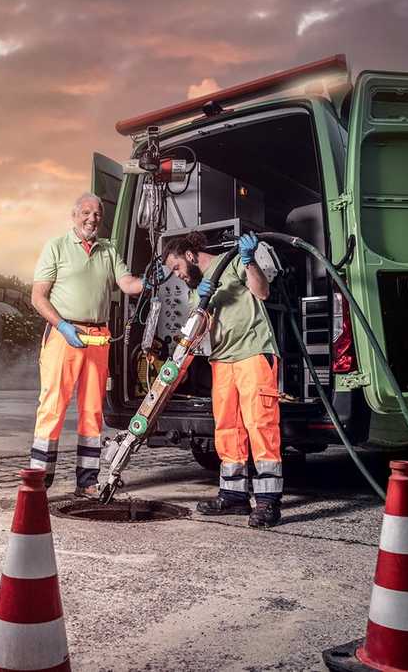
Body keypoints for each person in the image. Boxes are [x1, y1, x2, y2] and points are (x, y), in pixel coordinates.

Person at [30, 193, 148, 497]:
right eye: (86, 213)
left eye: (97, 214)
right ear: (74, 215)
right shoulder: (55, 247)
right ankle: (39, 481)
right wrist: (63, 326)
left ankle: (87, 482)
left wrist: (150, 281)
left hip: (98, 337)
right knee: (52, 406)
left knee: (92, 410)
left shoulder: (109, 250)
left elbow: (127, 285)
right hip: (63, 334)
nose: (92, 219)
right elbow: (38, 297)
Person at [162, 230, 283, 527]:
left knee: (260, 423)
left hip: (253, 351)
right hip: (222, 359)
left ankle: (268, 502)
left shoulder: (231, 264)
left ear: (190, 255)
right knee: (228, 427)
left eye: (177, 267)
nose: (177, 274)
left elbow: (263, 292)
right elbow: (199, 333)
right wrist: (202, 303)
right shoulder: (195, 288)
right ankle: (234, 495)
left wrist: (248, 261)